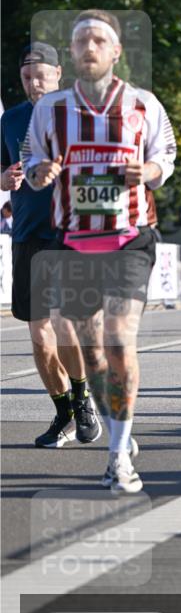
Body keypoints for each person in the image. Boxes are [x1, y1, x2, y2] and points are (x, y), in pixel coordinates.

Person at [24, 11, 176, 492]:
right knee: (91, 352)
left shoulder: (143, 104)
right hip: (73, 242)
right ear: (71, 54)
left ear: (115, 52)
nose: (89, 46)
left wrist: (148, 171)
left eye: (98, 40)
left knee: (118, 339)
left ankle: (117, 458)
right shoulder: (50, 109)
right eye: (80, 40)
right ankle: (118, 429)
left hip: (129, 238)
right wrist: (39, 173)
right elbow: (30, 163)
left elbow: (167, 156)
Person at [1, 41, 102, 449]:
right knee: (40, 338)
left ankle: (83, 401)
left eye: (39, 76)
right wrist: (3, 182)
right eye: (26, 77)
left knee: (65, 325)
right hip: (26, 235)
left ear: (59, 74)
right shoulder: (10, 121)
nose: (32, 83)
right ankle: (65, 410)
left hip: (69, 234)